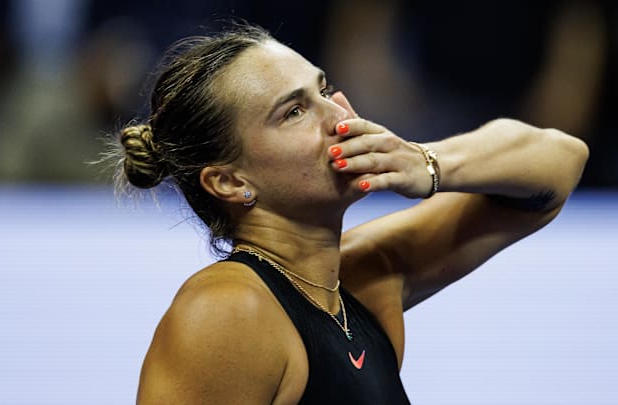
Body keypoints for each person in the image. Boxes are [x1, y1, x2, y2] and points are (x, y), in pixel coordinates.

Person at [111, 24, 589, 404]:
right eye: (294, 112)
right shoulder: (227, 310)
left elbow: (559, 160)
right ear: (231, 182)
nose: (339, 117)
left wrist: (426, 163)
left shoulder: (357, 279)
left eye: (325, 89)